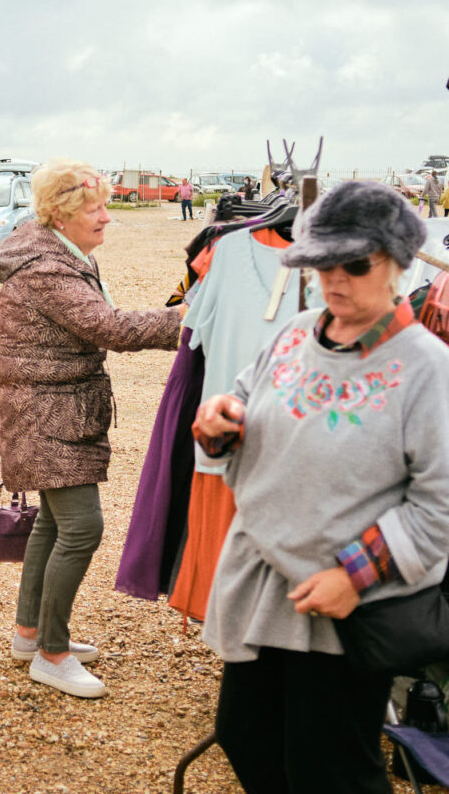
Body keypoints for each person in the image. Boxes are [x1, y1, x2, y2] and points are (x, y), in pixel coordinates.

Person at [193, 180, 449, 793]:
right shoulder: (296, 332)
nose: (334, 279)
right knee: (246, 736)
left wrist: (353, 576)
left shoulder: (427, 368)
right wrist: (218, 425)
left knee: (330, 770)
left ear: (398, 264)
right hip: (262, 583)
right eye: (320, 262)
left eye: (354, 264)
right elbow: (246, 404)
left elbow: (439, 508)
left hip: (341, 603)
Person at [0, 160, 183, 698]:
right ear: (60, 214)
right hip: (47, 413)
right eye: (95, 209)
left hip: (53, 408)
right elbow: (109, 326)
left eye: (106, 206)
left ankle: (30, 635)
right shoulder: (47, 268)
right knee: (81, 528)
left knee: (52, 525)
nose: (106, 218)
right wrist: (191, 318)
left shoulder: (57, 252)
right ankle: (52, 654)